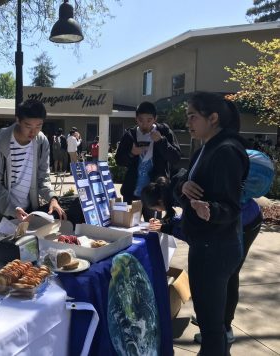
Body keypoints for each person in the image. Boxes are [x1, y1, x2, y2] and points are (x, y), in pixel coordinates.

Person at [174, 92, 249, 356]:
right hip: (207, 244)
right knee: (210, 321)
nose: (188, 123)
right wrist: (183, 185)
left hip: (214, 248)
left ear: (213, 118)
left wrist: (210, 211)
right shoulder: (206, 146)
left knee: (211, 326)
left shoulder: (226, 151)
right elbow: (182, 182)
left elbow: (230, 206)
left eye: (193, 116)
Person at [0, 99, 66, 221]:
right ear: (18, 120)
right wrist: (12, 208)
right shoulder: (0, 142)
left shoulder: (41, 141)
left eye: (39, 126)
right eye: (28, 126)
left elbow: (43, 178)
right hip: (3, 213)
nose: (33, 132)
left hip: (29, 211)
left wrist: (52, 198)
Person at [115, 101, 181, 220]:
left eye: (149, 120)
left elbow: (175, 158)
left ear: (155, 118)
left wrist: (161, 141)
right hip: (132, 192)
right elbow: (119, 160)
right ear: (136, 119)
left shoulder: (164, 132)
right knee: (129, 229)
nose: (144, 124)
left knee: (153, 230)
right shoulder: (130, 134)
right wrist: (131, 153)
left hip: (155, 194)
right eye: (140, 120)